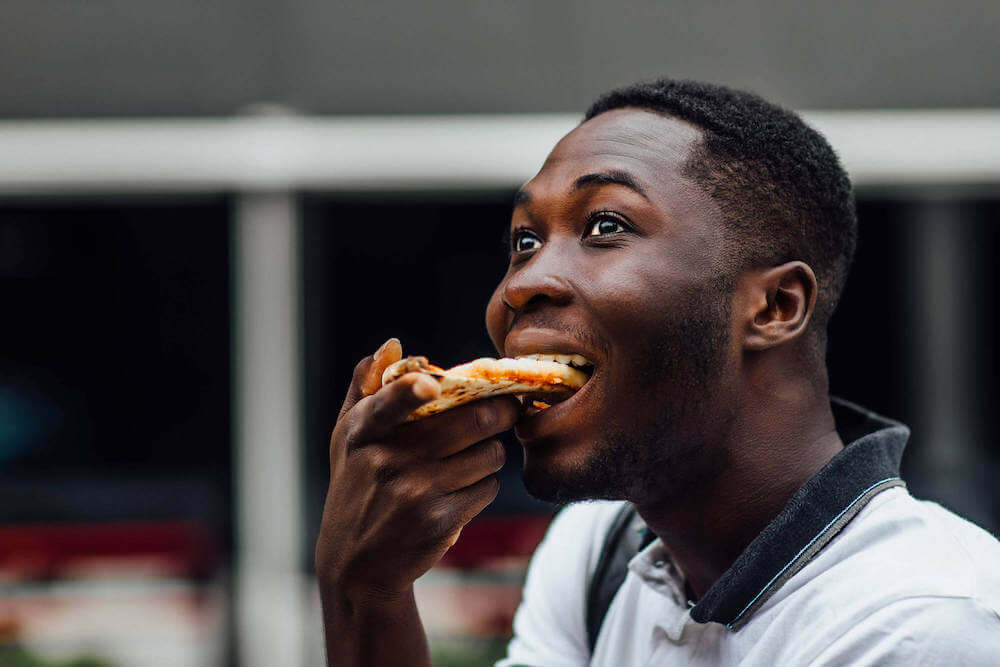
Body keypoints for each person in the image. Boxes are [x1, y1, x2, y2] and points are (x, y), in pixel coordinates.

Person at [315, 79, 1000, 666]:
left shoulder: (922, 627)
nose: (522, 285)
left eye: (605, 225)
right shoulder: (600, 550)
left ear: (773, 305)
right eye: (525, 241)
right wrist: (364, 589)